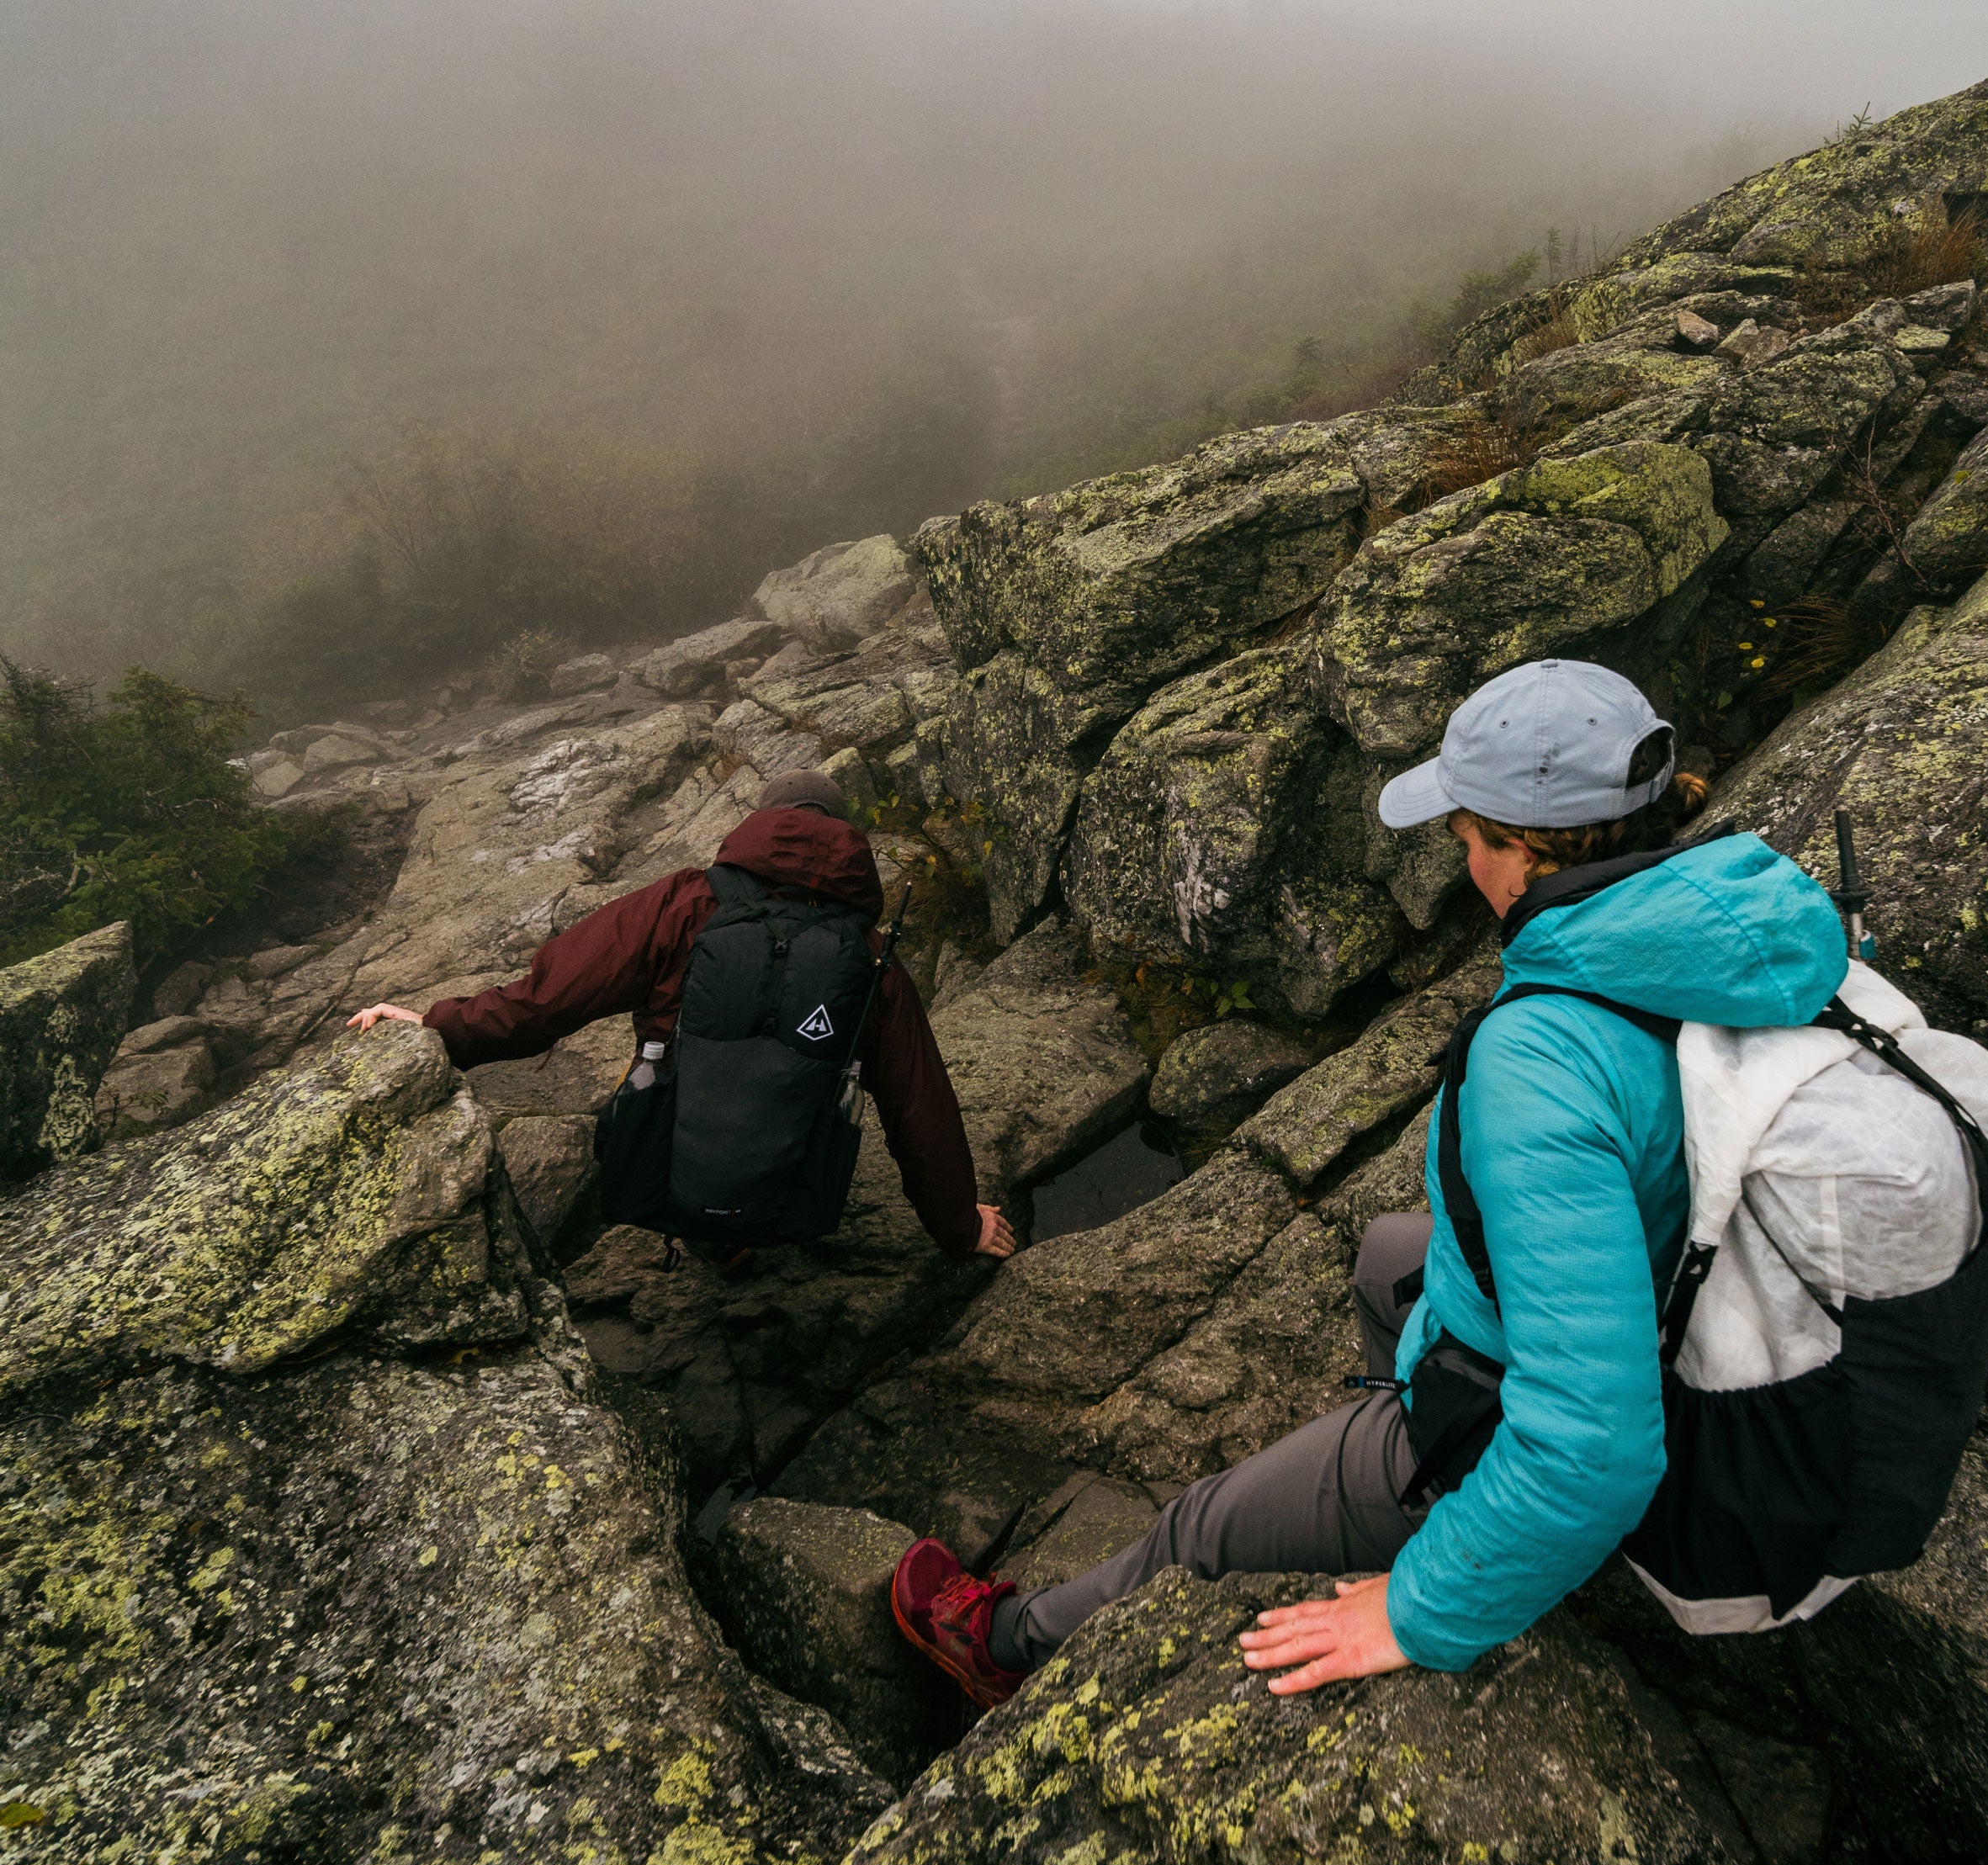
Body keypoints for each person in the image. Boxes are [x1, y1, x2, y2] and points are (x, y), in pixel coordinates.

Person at [888, 659, 1847, 1703]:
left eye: (1469, 837)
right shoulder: (1735, 923)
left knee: (1201, 1524)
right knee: (1392, 1252)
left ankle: (1005, 1644)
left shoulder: (1542, 1058)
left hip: (1562, 1402)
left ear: (1522, 852)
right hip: (1685, 1291)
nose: (1461, 858)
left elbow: (1596, 1447)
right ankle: (1405, 1467)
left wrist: (1418, 1611)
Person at [350, 769, 1016, 1263]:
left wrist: (436, 1029)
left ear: (760, 824)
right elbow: (918, 1105)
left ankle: (705, 1236)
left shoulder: (682, 902)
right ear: (846, 840)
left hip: (667, 1169)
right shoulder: (871, 955)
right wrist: (959, 1224)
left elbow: (548, 1000)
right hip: (795, 1184)